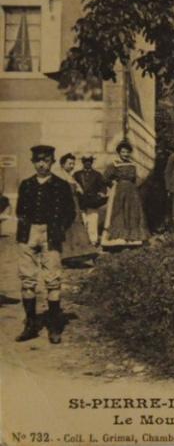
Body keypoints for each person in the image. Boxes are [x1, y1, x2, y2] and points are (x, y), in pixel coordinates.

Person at [15, 145, 75, 343]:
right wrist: (27, 228)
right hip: (28, 234)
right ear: (33, 162)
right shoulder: (26, 185)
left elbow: (70, 213)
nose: (42, 164)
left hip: (51, 235)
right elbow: (19, 211)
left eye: (46, 160)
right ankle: (31, 325)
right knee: (27, 280)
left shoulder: (61, 185)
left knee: (53, 280)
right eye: (38, 161)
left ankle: (54, 326)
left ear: (52, 162)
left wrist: (57, 229)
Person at [101, 140, 149, 247]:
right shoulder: (114, 164)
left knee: (132, 211)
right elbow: (105, 178)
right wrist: (113, 183)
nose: (125, 154)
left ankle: (132, 237)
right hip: (120, 190)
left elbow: (136, 178)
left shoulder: (132, 164)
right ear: (119, 153)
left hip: (132, 191)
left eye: (127, 152)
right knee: (119, 211)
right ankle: (120, 237)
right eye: (123, 152)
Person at [59, 153, 98, 264]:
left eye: (73, 164)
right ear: (62, 164)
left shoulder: (70, 176)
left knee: (78, 228)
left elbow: (79, 189)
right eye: (69, 163)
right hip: (65, 206)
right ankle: (67, 256)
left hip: (75, 205)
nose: (72, 166)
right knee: (68, 230)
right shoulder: (59, 176)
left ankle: (78, 254)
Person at [73, 155, 107, 245]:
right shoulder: (77, 174)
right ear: (82, 162)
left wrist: (101, 193)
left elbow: (103, 186)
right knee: (83, 221)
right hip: (81, 201)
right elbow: (73, 185)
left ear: (92, 162)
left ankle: (93, 240)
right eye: (85, 161)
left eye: (89, 161)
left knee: (93, 220)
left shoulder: (97, 174)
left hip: (93, 201)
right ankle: (83, 241)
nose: (87, 163)